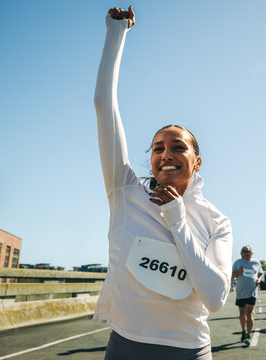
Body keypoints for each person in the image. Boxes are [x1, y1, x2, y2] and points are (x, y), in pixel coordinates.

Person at [94, 7, 233, 360]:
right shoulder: (125, 192)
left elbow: (215, 298)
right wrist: (115, 33)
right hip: (124, 347)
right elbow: (103, 105)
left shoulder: (216, 220)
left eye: (177, 147)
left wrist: (177, 218)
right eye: (157, 148)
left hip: (188, 350)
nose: (166, 154)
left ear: (196, 162)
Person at [231, 245, 263, 346]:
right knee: (241, 313)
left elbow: (261, 273)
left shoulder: (256, 262)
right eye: (244, 251)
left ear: (251, 253)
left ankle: (248, 335)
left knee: (249, 312)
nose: (246, 252)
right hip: (241, 292)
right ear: (241, 253)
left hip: (252, 291)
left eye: (248, 251)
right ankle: (243, 331)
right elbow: (231, 277)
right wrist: (238, 273)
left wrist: (259, 280)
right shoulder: (237, 263)